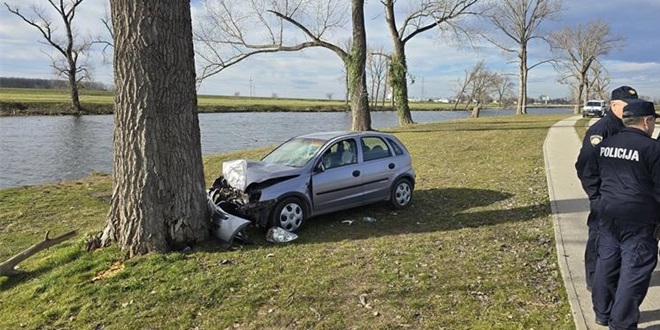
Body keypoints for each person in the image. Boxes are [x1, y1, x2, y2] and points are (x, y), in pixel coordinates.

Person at [589, 99, 660, 328]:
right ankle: (621, 324)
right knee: (634, 273)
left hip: (608, 215)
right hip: (639, 221)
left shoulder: (606, 145)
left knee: (607, 264)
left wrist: (598, 198)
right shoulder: (653, 149)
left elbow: (587, 171)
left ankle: (602, 312)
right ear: (648, 121)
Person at [575, 86, 639, 291]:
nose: (631, 109)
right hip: (604, 196)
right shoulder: (601, 130)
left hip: (623, 197)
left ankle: (611, 276)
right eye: (627, 106)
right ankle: (593, 280)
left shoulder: (630, 127)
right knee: (598, 237)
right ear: (613, 105)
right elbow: (584, 165)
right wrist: (596, 195)